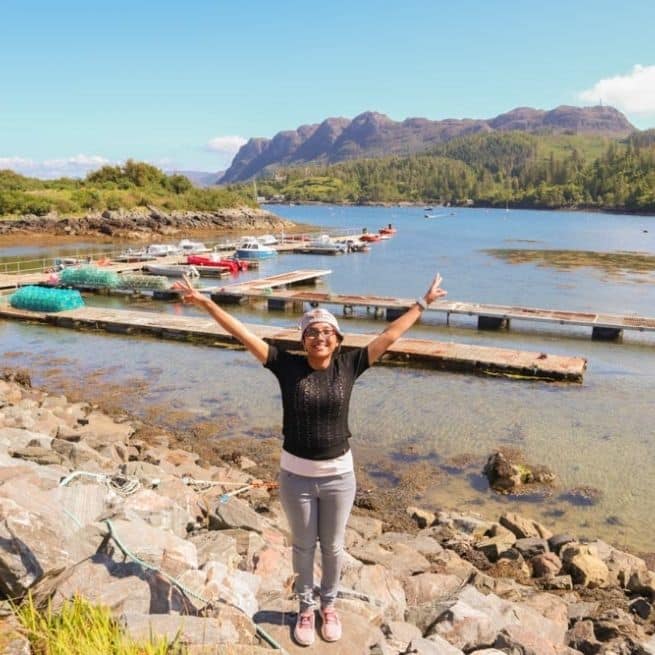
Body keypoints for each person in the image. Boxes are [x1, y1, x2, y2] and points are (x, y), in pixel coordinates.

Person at [172, 273, 447, 646]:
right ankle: (305, 608)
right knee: (303, 547)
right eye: (312, 332)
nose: (320, 337)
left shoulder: (349, 366)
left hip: (338, 478)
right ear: (303, 340)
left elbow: (390, 335)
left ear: (337, 340)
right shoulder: (286, 366)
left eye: (327, 332)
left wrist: (424, 302)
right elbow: (241, 333)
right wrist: (205, 303)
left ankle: (328, 606)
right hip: (296, 478)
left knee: (333, 548)